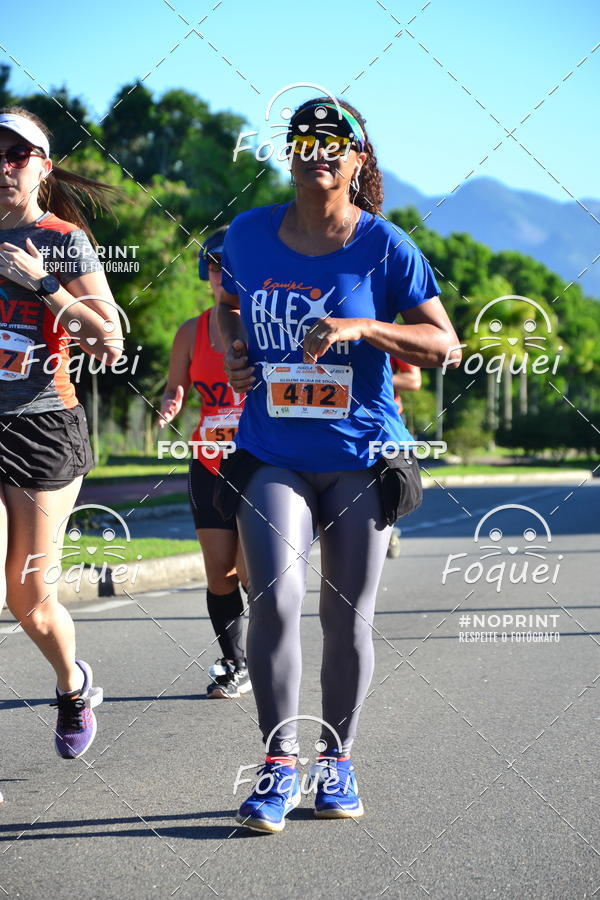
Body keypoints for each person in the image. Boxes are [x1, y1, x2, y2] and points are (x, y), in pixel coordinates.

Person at [215, 97, 461, 832]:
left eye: (334, 141)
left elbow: (442, 343)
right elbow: (229, 302)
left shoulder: (385, 247)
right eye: (304, 138)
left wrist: (363, 325)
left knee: (347, 617)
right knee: (276, 601)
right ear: (287, 153)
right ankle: (277, 764)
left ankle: (338, 762)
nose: (317, 149)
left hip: (359, 456)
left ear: (358, 161)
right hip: (274, 451)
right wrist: (235, 346)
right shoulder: (248, 233)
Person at [0, 107, 122, 758]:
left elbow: (110, 340)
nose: (2, 167)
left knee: (30, 599)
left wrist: (43, 285)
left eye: (16, 155)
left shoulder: (62, 241)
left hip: (43, 428)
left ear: (42, 168)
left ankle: (72, 685)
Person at [158, 227, 251, 699]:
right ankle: (234, 664)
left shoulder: (261, 326)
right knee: (220, 572)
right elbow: (177, 386)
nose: (222, 275)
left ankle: (271, 654)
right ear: (206, 273)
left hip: (258, 464)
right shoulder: (190, 332)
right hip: (209, 462)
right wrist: (170, 403)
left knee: (254, 570)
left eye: (231, 267)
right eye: (215, 266)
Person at [387, 357, 422, 558]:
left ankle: (387, 529)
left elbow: (413, 379)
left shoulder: (383, 327)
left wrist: (365, 376)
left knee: (385, 480)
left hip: (381, 419)